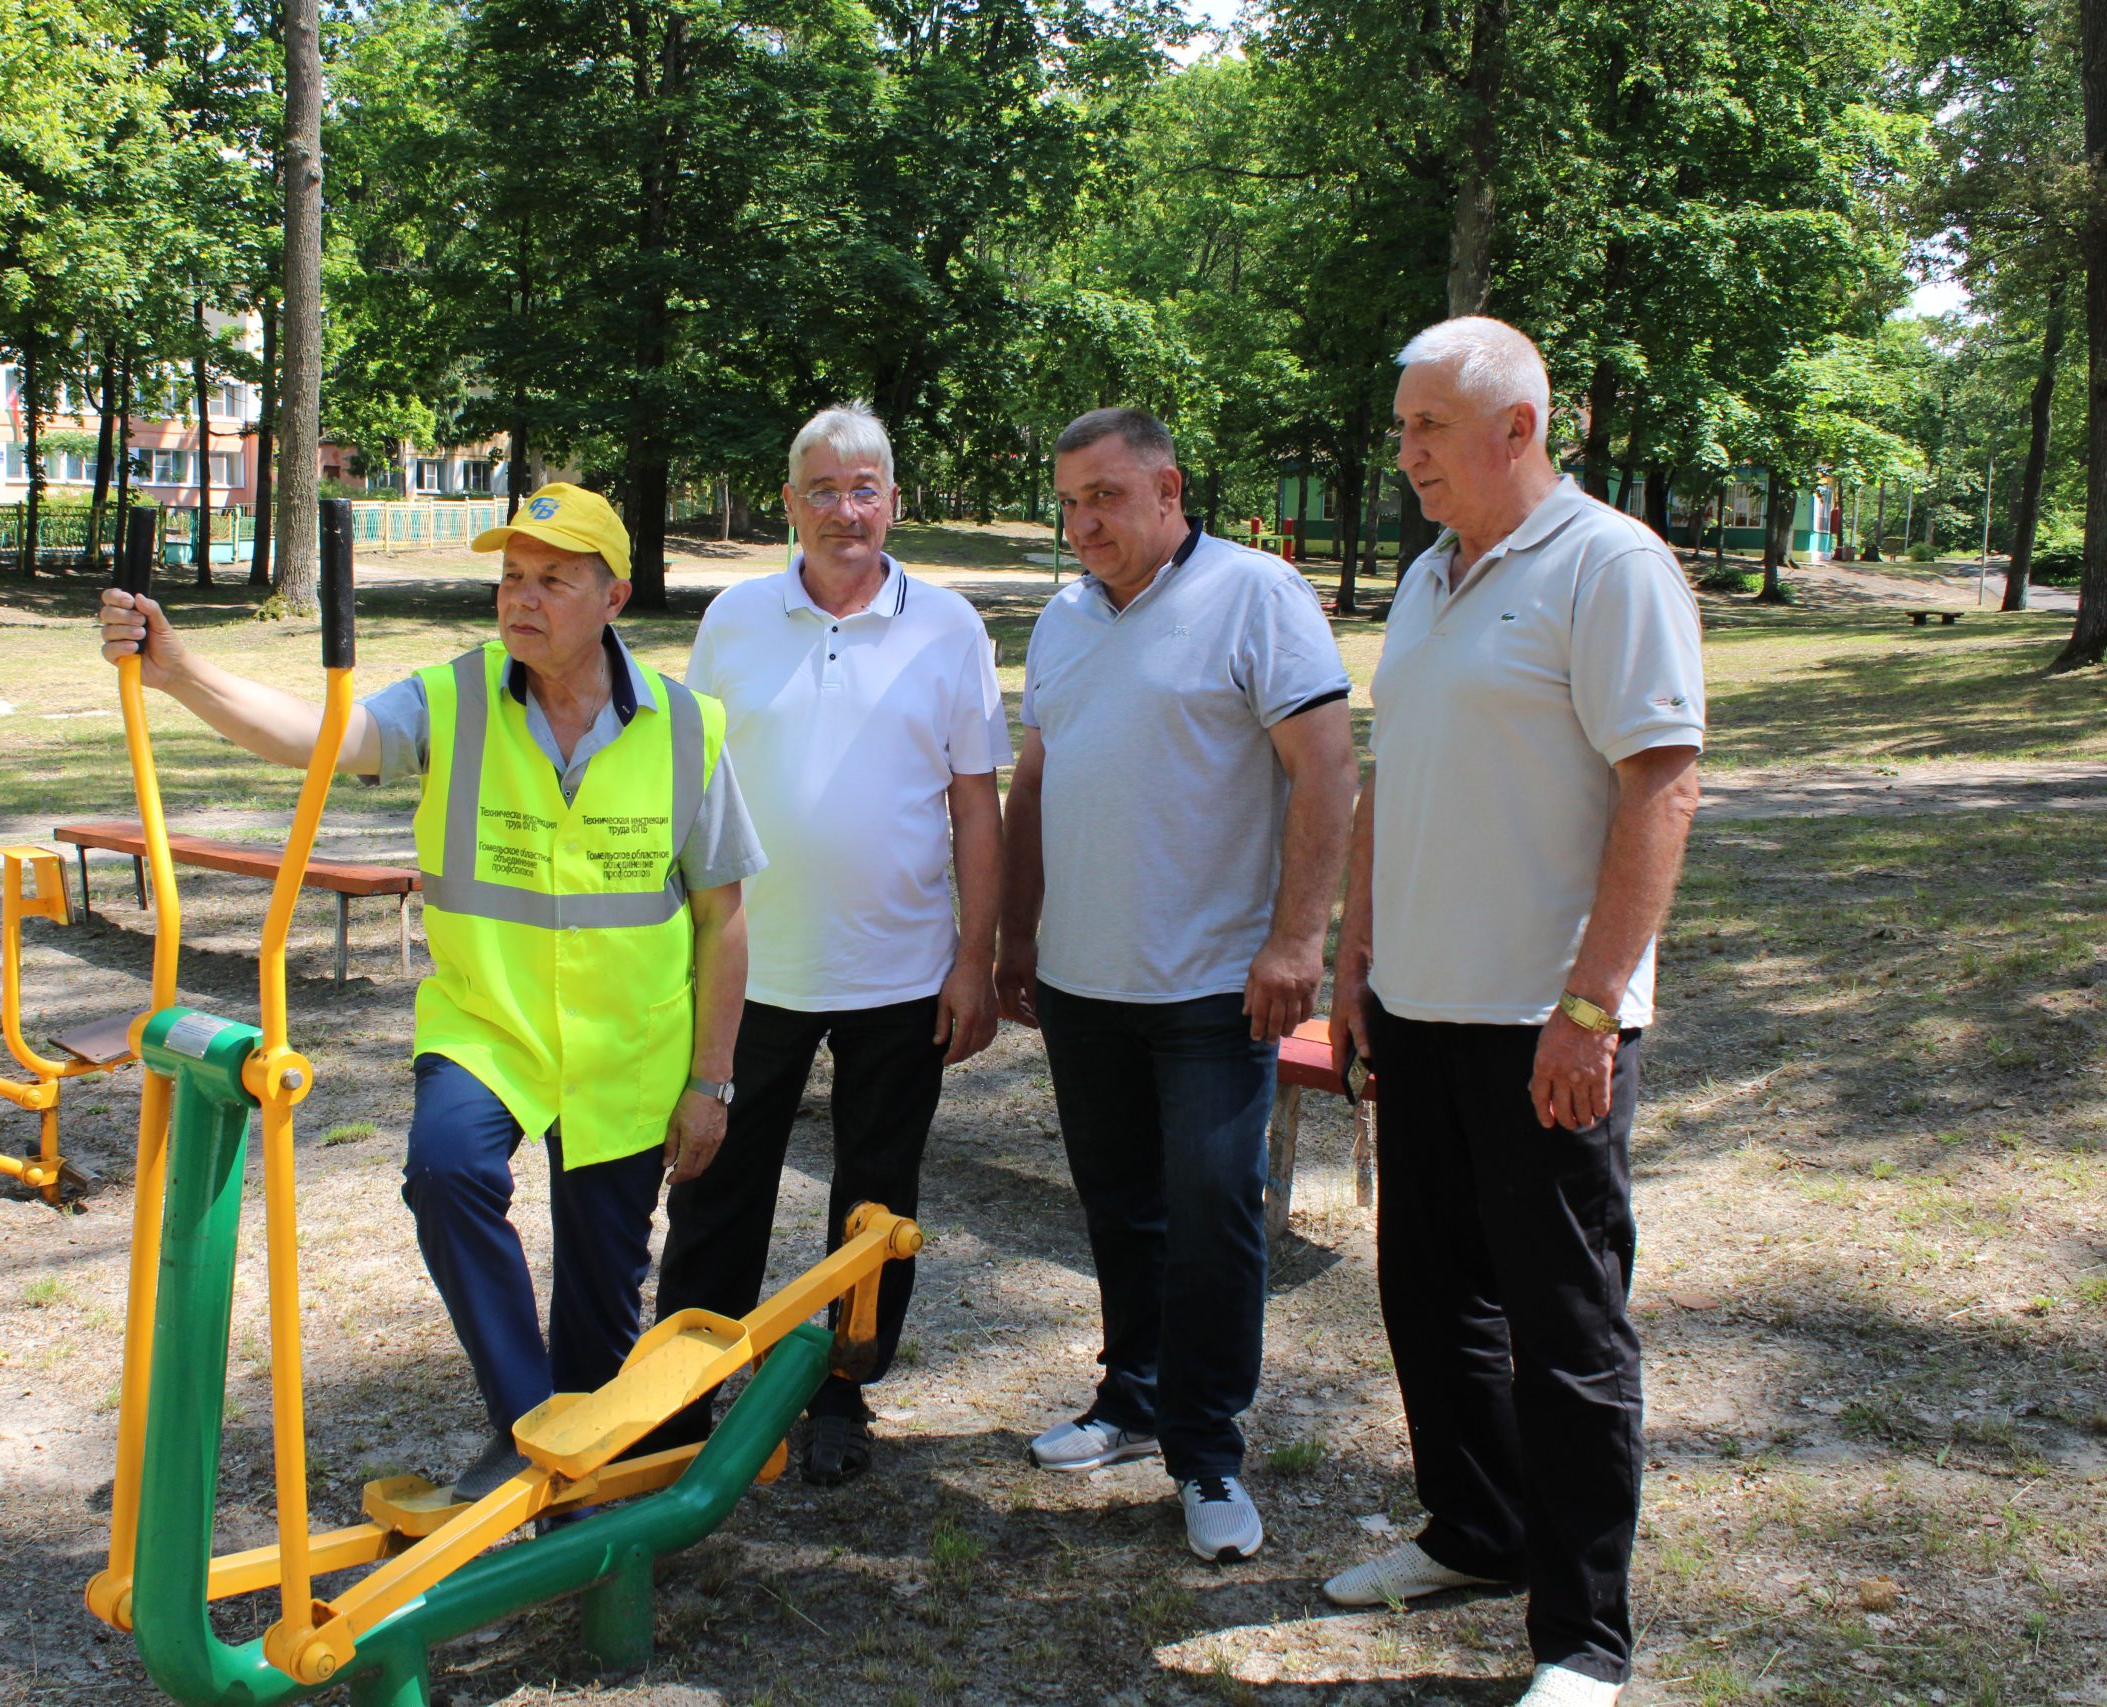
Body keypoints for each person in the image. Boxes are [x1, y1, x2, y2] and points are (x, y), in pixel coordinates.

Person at [99, 483, 763, 1501]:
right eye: (509, 579)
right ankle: (526, 1418)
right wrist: (178, 669)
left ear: (614, 596)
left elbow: (722, 920)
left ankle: (576, 1522)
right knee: (445, 1172)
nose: (521, 600)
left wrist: (710, 1083)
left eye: (551, 580)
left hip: (629, 1053)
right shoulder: (452, 700)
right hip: (488, 1028)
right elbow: (320, 736)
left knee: (600, 1298)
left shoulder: (687, 728)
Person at [1322, 317, 1703, 1707]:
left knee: (1568, 1323)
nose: (1405, 450)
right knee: (1429, 1296)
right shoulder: (1428, 576)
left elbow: (1661, 782)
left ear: (1517, 428)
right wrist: (1354, 966)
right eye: (1405, 423)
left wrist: (1592, 1003)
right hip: (1416, 1009)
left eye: (1428, 426)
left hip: (1547, 1021)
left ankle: (1583, 1633)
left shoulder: (1610, 566)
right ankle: (1474, 1530)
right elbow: (1389, 781)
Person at [997, 407, 1357, 1562]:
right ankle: (1132, 1397)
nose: (1082, 522)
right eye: (1067, 502)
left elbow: (1325, 771)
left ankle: (1207, 1453)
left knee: (1210, 1208)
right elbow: (1035, 785)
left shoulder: (1255, 595)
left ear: (1167, 488)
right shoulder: (1059, 620)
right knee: (1119, 1205)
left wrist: (1296, 941)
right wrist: (1014, 940)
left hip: (1214, 985)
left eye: (1103, 496)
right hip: (1083, 980)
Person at [652, 402, 1009, 1485]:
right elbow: (688, 789)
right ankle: (680, 1395)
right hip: (751, 970)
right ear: (790, 503)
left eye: (864, 489)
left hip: (900, 973)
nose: (844, 510)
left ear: (893, 501)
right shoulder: (734, 620)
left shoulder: (950, 628)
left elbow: (975, 805)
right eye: (821, 489)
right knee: (715, 1188)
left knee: (875, 1198)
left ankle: (843, 1392)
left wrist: (973, 960)